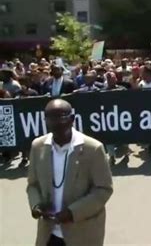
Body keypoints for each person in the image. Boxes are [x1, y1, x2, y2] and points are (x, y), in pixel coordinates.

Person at [26, 99, 113, 245]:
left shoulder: (93, 148)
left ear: (72, 119)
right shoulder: (38, 146)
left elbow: (103, 189)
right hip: (49, 234)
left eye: (61, 117)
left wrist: (72, 212)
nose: (55, 123)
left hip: (82, 233)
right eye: (50, 118)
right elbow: (32, 184)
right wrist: (37, 206)